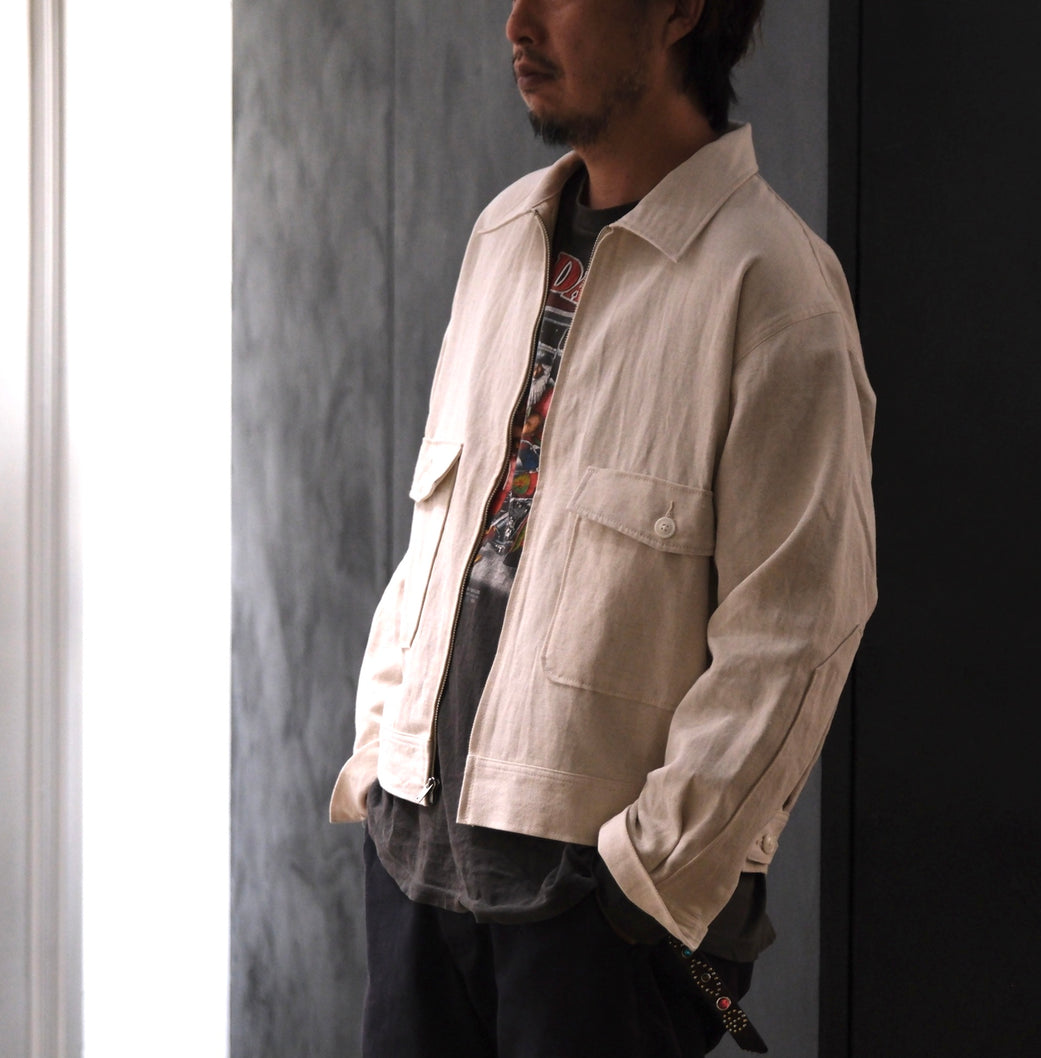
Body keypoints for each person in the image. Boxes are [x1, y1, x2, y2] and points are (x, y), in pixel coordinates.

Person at [329, 0, 876, 1054]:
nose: (517, 22)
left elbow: (796, 628)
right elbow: (441, 536)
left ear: (679, 11)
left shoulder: (773, 286)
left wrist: (647, 876)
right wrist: (378, 757)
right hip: (416, 873)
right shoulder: (501, 237)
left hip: (593, 921)